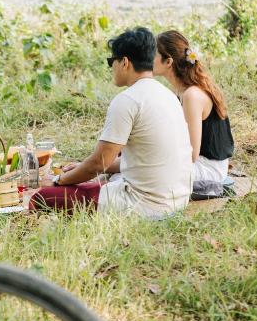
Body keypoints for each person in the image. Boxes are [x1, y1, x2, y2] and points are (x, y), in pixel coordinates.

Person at [31, 27, 193, 218]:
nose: (111, 67)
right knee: (98, 178)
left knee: (42, 196)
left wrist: (58, 180)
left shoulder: (128, 99)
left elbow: (98, 164)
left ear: (124, 62)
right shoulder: (168, 95)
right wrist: (80, 168)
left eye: (111, 61)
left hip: (146, 205)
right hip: (178, 199)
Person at [154, 29, 234, 184]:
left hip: (207, 168)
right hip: (192, 163)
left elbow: (191, 154)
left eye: (153, 54)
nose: (147, 58)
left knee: (144, 170)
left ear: (168, 62)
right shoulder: (179, 90)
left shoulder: (192, 95)